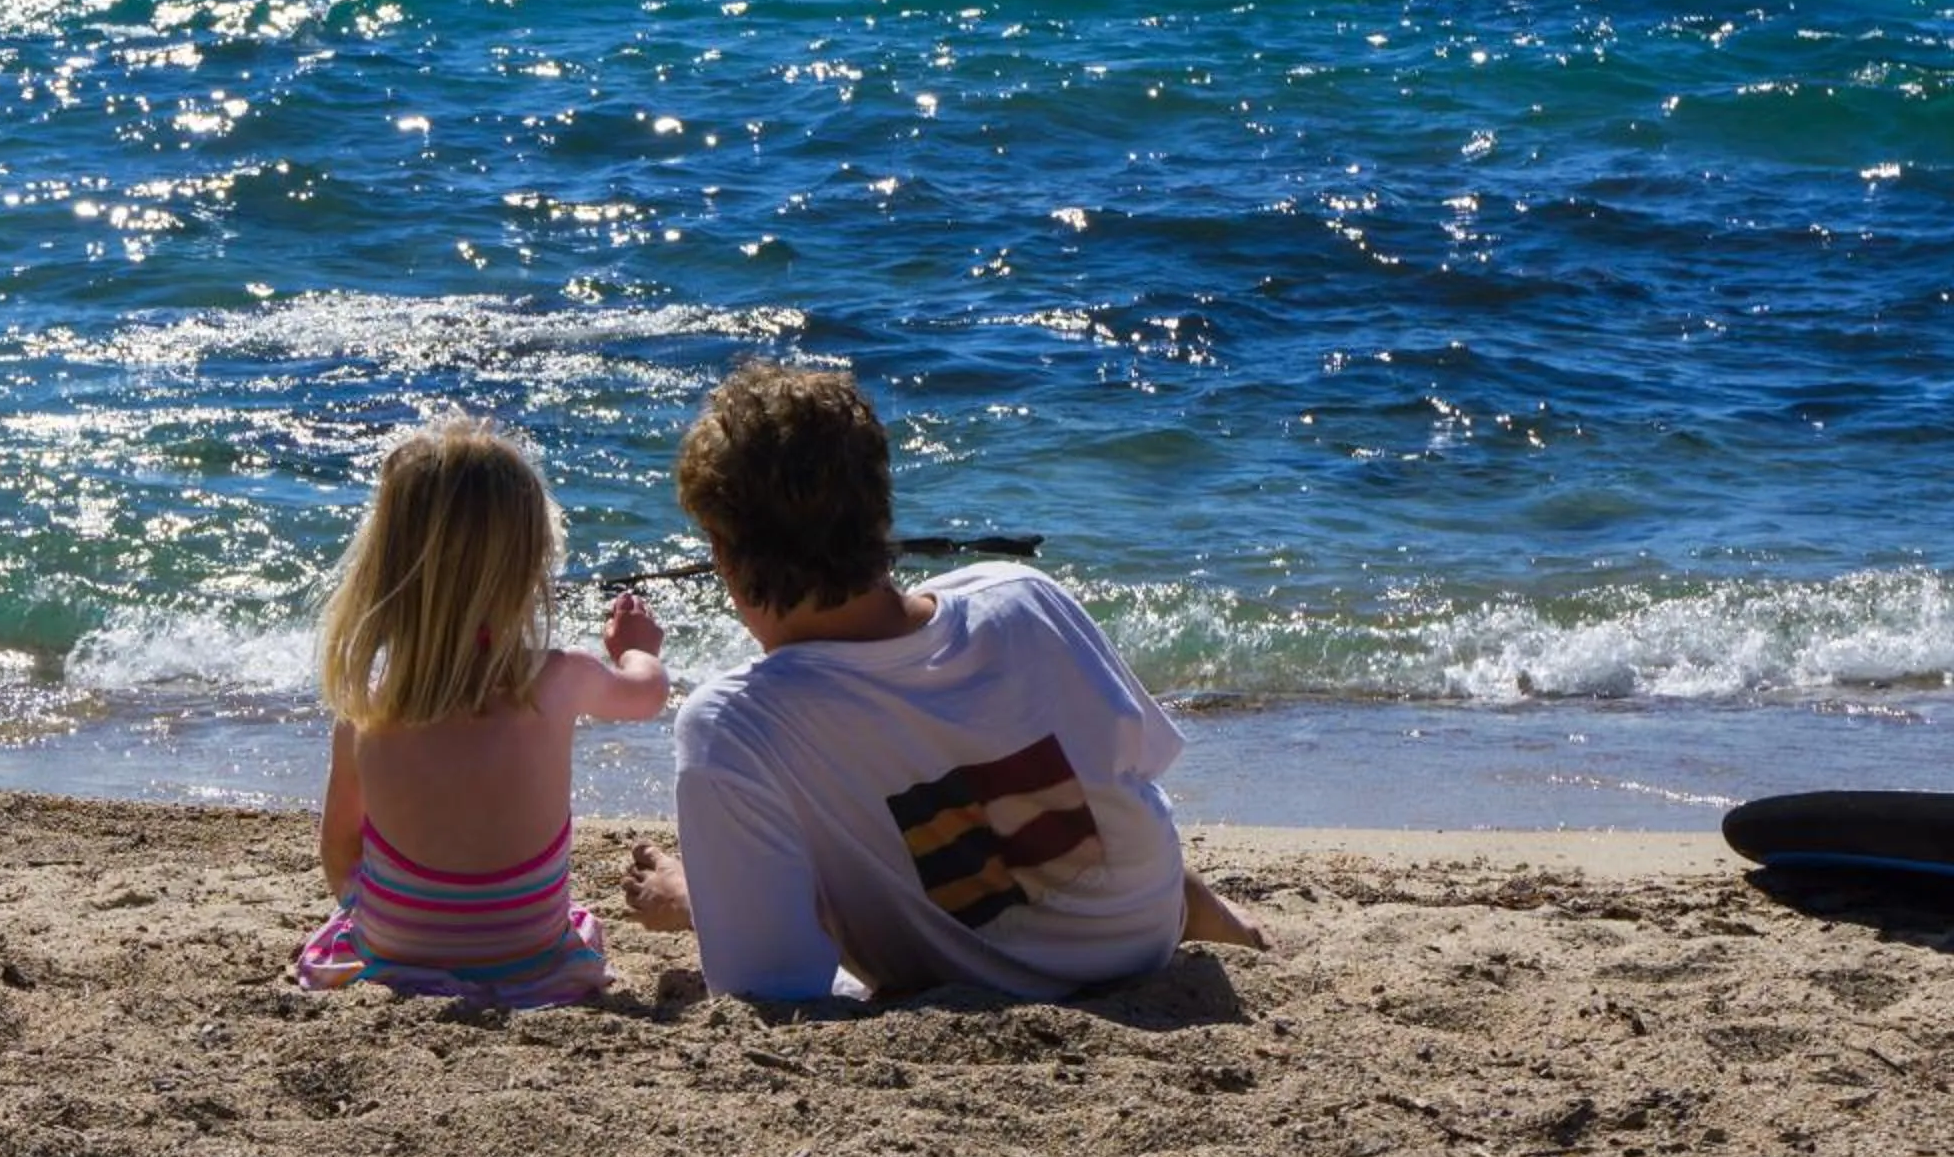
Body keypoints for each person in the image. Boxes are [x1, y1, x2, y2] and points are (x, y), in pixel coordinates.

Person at [622, 362, 1265, 1001]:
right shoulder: (1021, 594)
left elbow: (774, 986)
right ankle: (1208, 914)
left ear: (725, 554)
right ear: (878, 508)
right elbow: (1134, 766)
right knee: (1048, 795)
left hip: (997, 979)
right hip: (1143, 927)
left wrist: (698, 901)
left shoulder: (735, 722)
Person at [295, 415, 669, 1006]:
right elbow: (646, 695)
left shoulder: (368, 705)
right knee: (571, 922)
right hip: (531, 958)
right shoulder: (559, 678)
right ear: (531, 565)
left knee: (358, 904)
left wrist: (371, 912)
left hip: (396, 953)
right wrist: (636, 650)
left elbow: (339, 848)